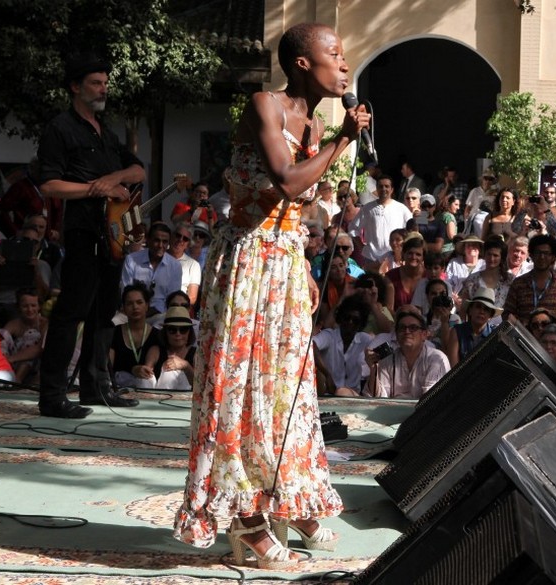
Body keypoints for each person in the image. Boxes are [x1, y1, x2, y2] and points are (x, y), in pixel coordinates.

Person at [172, 24, 369, 566]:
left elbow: (296, 211)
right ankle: (246, 520)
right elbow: (285, 182)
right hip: (247, 263)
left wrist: (302, 264)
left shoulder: (315, 119)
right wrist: (342, 141)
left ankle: (288, 495)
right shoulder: (266, 104)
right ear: (303, 63)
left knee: (286, 389)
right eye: (335, 53)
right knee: (243, 389)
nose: (345, 64)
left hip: (282, 261)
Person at [34, 52, 145, 418]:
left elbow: (138, 172)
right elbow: (50, 184)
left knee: (103, 313)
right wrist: (96, 189)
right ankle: (51, 396)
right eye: (96, 83)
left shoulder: (105, 130)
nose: (103, 89)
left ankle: (96, 388)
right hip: (83, 231)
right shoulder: (60, 128)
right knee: (71, 312)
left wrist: (114, 180)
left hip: (112, 235)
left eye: (105, 83)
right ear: (75, 87)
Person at [502, 234, 556, 343]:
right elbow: (507, 314)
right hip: (525, 343)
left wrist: (554, 328)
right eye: (538, 253)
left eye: (546, 253)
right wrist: (525, 327)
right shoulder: (519, 283)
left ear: (553, 257)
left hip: (554, 346)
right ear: (532, 255)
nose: (542, 257)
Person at [365, 308, 450, 399]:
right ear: (396, 335)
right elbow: (378, 399)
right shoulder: (387, 361)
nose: (407, 331)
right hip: (393, 411)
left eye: (413, 328)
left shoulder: (436, 359)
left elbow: (431, 400)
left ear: (424, 335)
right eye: (402, 328)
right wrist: (374, 370)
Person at [314, 293, 372, 396]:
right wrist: (327, 374)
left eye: (355, 320)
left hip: (354, 396)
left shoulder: (365, 339)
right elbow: (311, 345)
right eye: (347, 318)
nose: (350, 322)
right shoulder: (329, 335)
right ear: (340, 318)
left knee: (342, 392)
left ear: (361, 324)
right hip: (328, 394)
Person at [108, 284, 161, 390]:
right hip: (118, 384)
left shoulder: (157, 335)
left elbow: (152, 365)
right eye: (129, 303)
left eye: (139, 302)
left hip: (147, 385)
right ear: (123, 307)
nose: (135, 307)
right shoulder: (115, 332)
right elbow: (108, 366)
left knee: (147, 380)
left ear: (147, 306)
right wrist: (132, 369)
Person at [352, 175, 412, 265]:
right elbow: (353, 229)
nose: (383, 189)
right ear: (377, 189)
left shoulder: (401, 208)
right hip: (371, 258)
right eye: (380, 186)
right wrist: (362, 247)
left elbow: (411, 230)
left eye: (387, 186)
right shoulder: (367, 208)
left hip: (394, 259)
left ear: (392, 189)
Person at [132, 307, 196, 391]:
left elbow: (200, 385)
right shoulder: (156, 351)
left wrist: (186, 366)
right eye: (172, 330)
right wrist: (138, 370)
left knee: (170, 374)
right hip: (155, 397)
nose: (178, 334)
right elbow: (146, 373)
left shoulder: (196, 354)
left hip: (185, 401)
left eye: (183, 330)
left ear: (189, 332)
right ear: (165, 332)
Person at [443, 286, 501, 367]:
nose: (481, 311)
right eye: (478, 306)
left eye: (486, 309)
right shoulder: (456, 331)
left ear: (490, 316)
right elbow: (453, 369)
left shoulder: (495, 335)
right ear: (470, 310)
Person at [0, 289, 48, 384]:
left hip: (36, 365)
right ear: (19, 307)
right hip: (12, 363)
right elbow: (1, 339)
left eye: (33, 306)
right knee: (1, 335)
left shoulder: (44, 323)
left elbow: (39, 348)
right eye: (25, 306)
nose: (30, 310)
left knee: (32, 335)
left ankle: (17, 379)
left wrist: (12, 358)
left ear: (39, 307)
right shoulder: (14, 323)